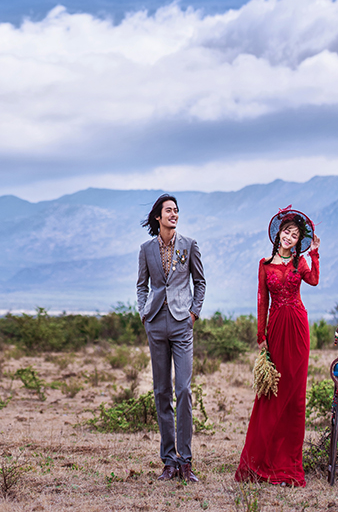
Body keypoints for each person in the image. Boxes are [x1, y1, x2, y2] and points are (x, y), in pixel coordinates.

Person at [235, 206, 321, 487]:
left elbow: (314, 281)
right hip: (275, 330)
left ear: (298, 240)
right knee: (271, 393)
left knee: (294, 396)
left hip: (297, 327)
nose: (289, 237)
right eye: (286, 232)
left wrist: (314, 254)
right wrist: (261, 337)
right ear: (278, 234)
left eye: (295, 235)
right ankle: (261, 461)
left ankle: (288, 465)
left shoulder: (300, 263)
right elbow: (262, 301)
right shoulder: (265, 265)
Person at [137, 194, 206, 483]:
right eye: (169, 210)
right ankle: (169, 461)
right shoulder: (146, 249)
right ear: (158, 216)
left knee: (184, 390)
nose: (174, 214)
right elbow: (141, 285)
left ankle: (186, 461)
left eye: (176, 210)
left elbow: (200, 282)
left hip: (181, 323)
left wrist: (193, 313)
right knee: (161, 392)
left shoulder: (189, 245)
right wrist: (144, 312)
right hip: (156, 322)